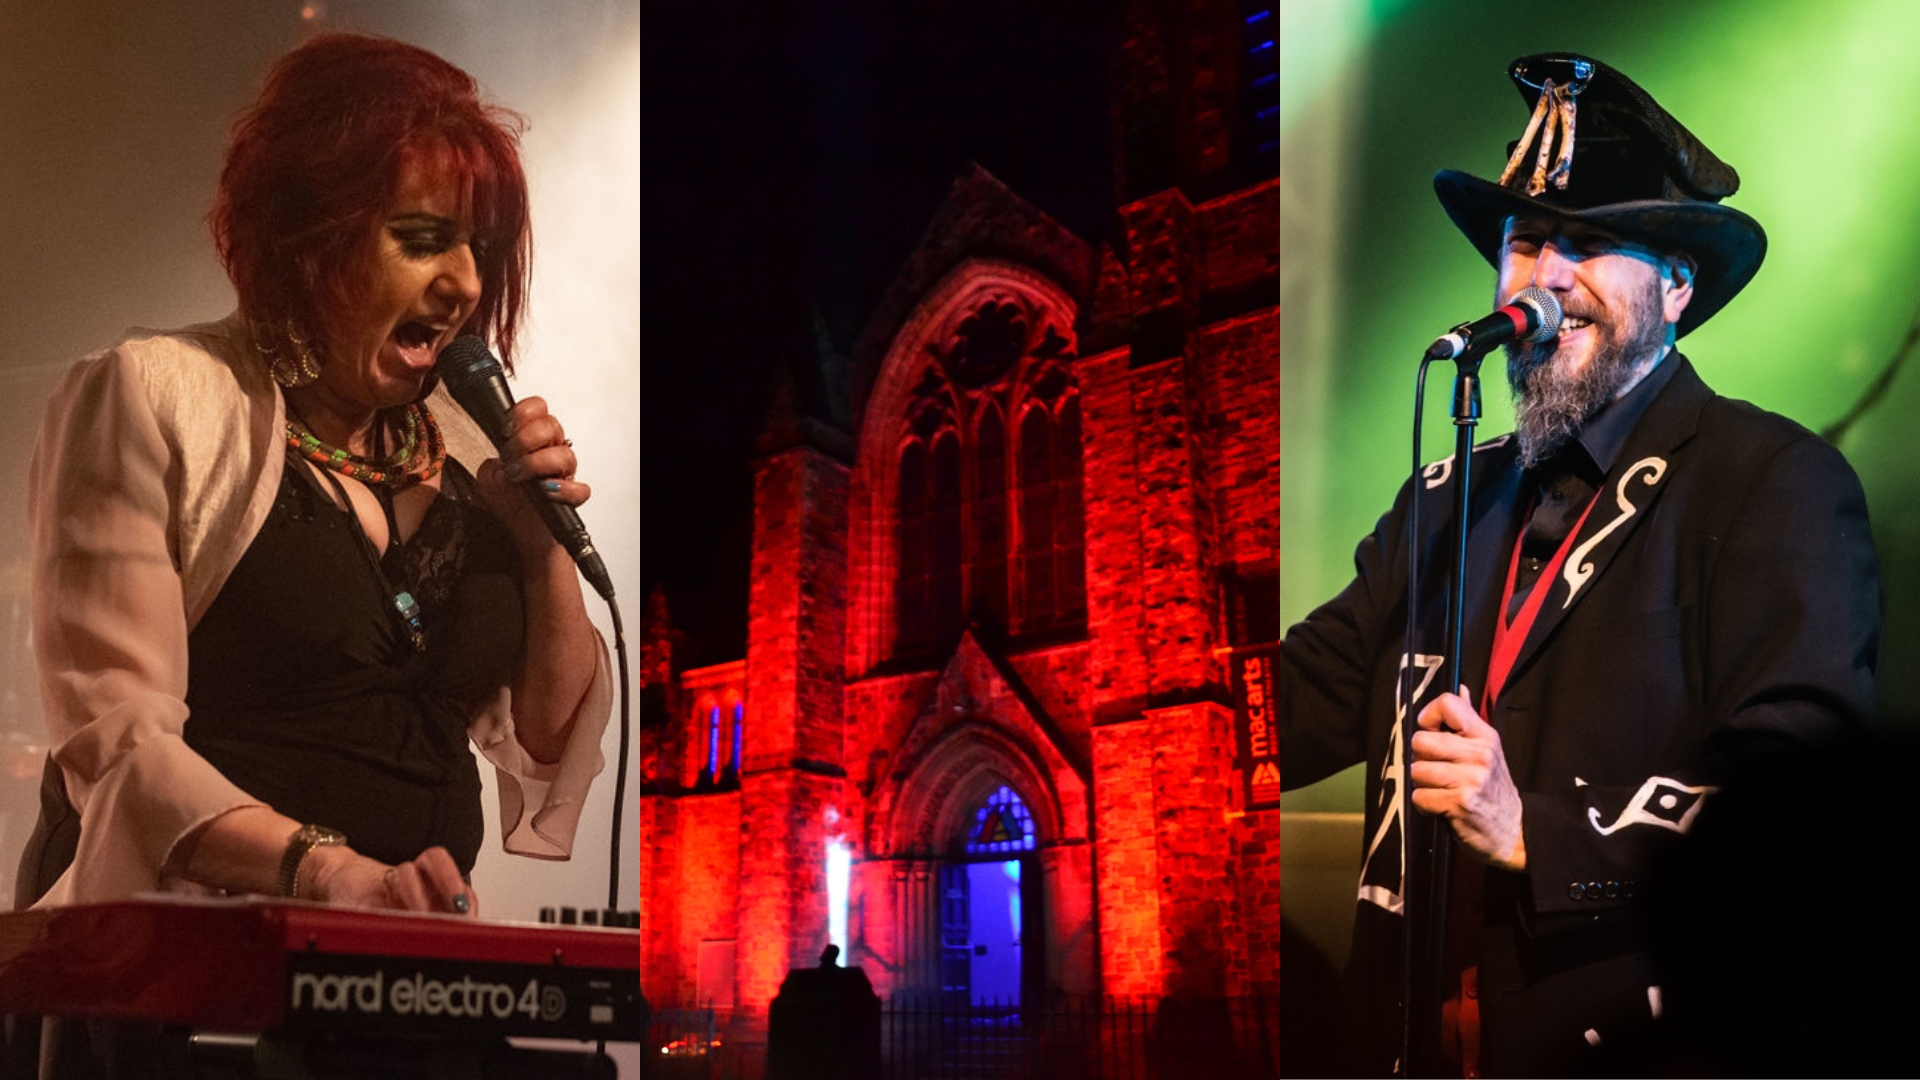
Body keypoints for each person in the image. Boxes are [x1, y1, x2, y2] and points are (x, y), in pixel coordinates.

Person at [6, 31, 613, 1075]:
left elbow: (547, 738)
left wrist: (539, 540)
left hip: (397, 974)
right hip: (175, 970)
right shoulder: (158, 398)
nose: (466, 283)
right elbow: (119, 745)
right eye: (422, 239)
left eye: (478, 249)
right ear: (307, 238)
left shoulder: (471, 453)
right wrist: (323, 873)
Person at [1279, 53, 1881, 1077]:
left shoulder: (1771, 480)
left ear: (1678, 288)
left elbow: (1798, 817)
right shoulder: (1440, 505)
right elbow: (1292, 700)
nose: (1546, 278)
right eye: (1525, 242)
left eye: (1592, 245)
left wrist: (1534, 831)